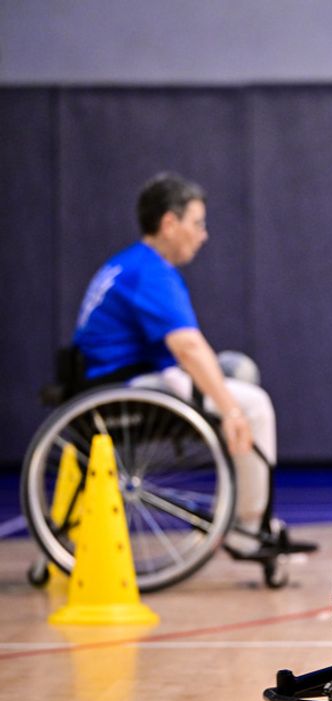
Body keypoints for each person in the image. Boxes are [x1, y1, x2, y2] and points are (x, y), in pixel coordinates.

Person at [73, 172, 281, 542]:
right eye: (197, 224)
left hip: (110, 376)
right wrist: (231, 410)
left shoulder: (130, 263)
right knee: (254, 405)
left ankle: (234, 500)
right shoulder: (149, 273)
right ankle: (249, 527)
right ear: (170, 223)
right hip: (123, 388)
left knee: (239, 369)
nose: (204, 235)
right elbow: (187, 347)